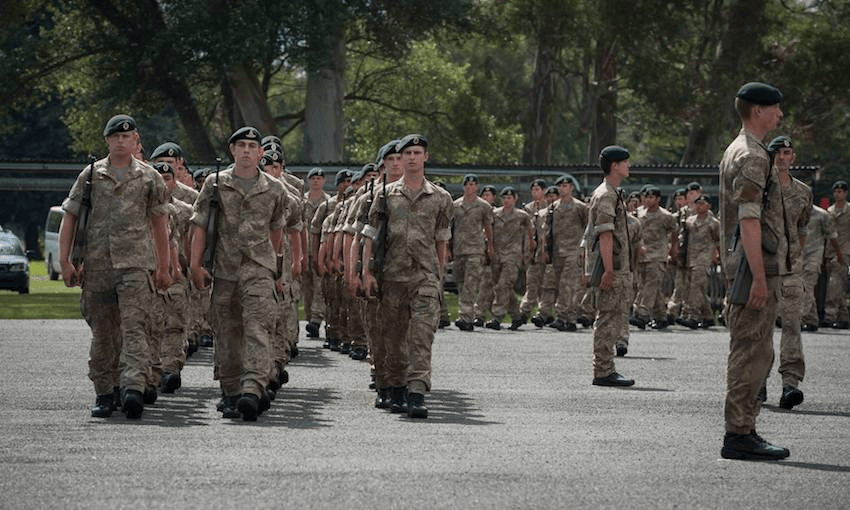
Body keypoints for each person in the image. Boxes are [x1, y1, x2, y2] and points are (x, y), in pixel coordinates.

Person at [59, 114, 172, 419]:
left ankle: (132, 387)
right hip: (97, 266)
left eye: (127, 137)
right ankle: (104, 392)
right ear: (107, 140)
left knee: (136, 328)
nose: (121, 141)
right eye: (116, 137)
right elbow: (70, 216)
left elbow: (160, 224)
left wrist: (164, 267)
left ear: (136, 140)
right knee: (104, 332)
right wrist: (65, 261)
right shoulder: (91, 175)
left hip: (137, 265)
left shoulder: (150, 177)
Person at [190, 126, 289, 422]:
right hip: (224, 270)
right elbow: (199, 225)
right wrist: (195, 265)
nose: (246, 150)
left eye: (252, 146)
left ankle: (252, 388)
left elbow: (277, 231)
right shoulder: (215, 184)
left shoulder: (274, 188)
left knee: (258, 329)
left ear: (260, 152)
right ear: (232, 150)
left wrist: (273, 267)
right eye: (240, 145)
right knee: (227, 332)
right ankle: (231, 390)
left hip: (258, 271)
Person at [718, 82, 789, 460]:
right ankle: (739, 433)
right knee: (753, 351)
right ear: (758, 111)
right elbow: (749, 221)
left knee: (751, 349)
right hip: (752, 267)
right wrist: (760, 277)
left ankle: (744, 429)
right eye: (775, 109)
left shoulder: (738, 149)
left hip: (745, 264)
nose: (779, 115)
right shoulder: (754, 156)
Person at [361, 134, 453, 418]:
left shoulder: (440, 197)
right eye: (407, 153)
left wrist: (437, 276)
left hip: (424, 278)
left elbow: (442, 240)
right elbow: (370, 235)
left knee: (422, 336)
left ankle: (416, 391)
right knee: (394, 338)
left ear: (425, 157)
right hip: (392, 278)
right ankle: (395, 386)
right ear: (400, 159)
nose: (412, 157)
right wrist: (365, 272)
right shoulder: (385, 194)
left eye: (417, 152)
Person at [763, 135, 811, 409]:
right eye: (778, 153)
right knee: (762, 329)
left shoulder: (803, 192)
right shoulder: (761, 188)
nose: (782, 158)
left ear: (793, 157)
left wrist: (795, 256)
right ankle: (758, 383)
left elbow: (802, 229)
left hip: (791, 269)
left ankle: (790, 384)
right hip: (765, 268)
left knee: (792, 326)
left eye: (787, 153)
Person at [586, 145, 635, 387]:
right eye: (625, 162)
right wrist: (608, 270)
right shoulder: (606, 194)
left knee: (614, 317)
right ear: (614, 166)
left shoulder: (613, 193)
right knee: (607, 318)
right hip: (612, 268)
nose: (629, 166)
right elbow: (604, 235)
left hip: (618, 267)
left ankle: (607, 369)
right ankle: (603, 371)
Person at [543, 174, 588, 332]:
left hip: (573, 250)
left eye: (566, 186)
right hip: (557, 252)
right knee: (563, 285)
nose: (563, 189)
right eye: (561, 186)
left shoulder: (580, 207)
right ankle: (570, 318)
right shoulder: (553, 207)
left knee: (567, 284)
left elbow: (588, 228)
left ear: (571, 188)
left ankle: (562, 317)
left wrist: (584, 249)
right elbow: (547, 230)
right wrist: (546, 250)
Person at [452, 174, 494, 331]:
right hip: (458, 249)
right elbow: (451, 228)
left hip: (475, 250)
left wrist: (490, 245)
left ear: (477, 186)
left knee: (470, 283)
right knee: (461, 283)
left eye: (472, 184)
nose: (469, 187)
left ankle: (465, 316)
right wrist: (448, 248)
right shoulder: (455, 205)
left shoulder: (483, 206)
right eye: (467, 184)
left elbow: (488, 226)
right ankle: (467, 316)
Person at [486, 187, 533, 330]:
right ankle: (516, 315)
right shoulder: (494, 214)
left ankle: (497, 317)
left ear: (515, 199)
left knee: (503, 285)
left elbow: (530, 232)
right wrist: (489, 247)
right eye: (505, 198)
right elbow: (488, 230)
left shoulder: (522, 215)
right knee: (503, 287)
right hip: (496, 255)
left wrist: (528, 249)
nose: (507, 201)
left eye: (510, 198)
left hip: (512, 256)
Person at [632, 186, 678, 329]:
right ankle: (661, 316)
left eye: (651, 197)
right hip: (641, 256)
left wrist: (673, 248)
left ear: (658, 199)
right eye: (645, 197)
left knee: (651, 284)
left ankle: (642, 314)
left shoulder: (665, 216)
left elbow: (675, 231)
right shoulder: (638, 214)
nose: (647, 200)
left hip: (658, 255)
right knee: (647, 286)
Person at [678, 194, 720, 329]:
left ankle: (693, 316)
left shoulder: (714, 223)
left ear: (708, 206)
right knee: (699, 288)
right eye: (698, 204)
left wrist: (718, 255)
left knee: (696, 287)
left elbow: (719, 241)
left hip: (704, 258)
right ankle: (708, 316)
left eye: (702, 204)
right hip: (690, 258)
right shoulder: (689, 221)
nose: (699, 206)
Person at [801, 205, 840, 331]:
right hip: (798, 256)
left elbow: (832, 236)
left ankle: (800, 318)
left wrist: (838, 253)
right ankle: (812, 320)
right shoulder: (795, 212)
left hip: (814, 256)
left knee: (807, 287)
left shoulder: (822, 215)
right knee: (805, 288)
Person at [302, 167, 330, 337]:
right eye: (313, 178)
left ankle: (316, 319)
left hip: (320, 250)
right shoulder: (301, 200)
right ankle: (310, 320)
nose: (316, 181)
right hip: (303, 250)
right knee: (307, 288)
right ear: (308, 180)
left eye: (319, 178)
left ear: (324, 181)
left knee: (320, 286)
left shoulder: (328, 201)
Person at [519, 179, 549, 324]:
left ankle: (544, 312)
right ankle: (524, 313)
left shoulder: (550, 207)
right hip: (531, 251)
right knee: (531, 283)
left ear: (544, 191)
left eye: (538, 189)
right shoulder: (527, 209)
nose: (535, 192)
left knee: (546, 284)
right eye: (533, 190)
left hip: (546, 251)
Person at [824, 180, 850, 329]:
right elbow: (826, 234)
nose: (837, 194)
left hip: (844, 251)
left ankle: (830, 315)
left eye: (840, 191)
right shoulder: (829, 211)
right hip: (830, 251)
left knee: (835, 284)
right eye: (835, 191)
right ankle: (843, 316)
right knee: (839, 284)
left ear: (845, 193)